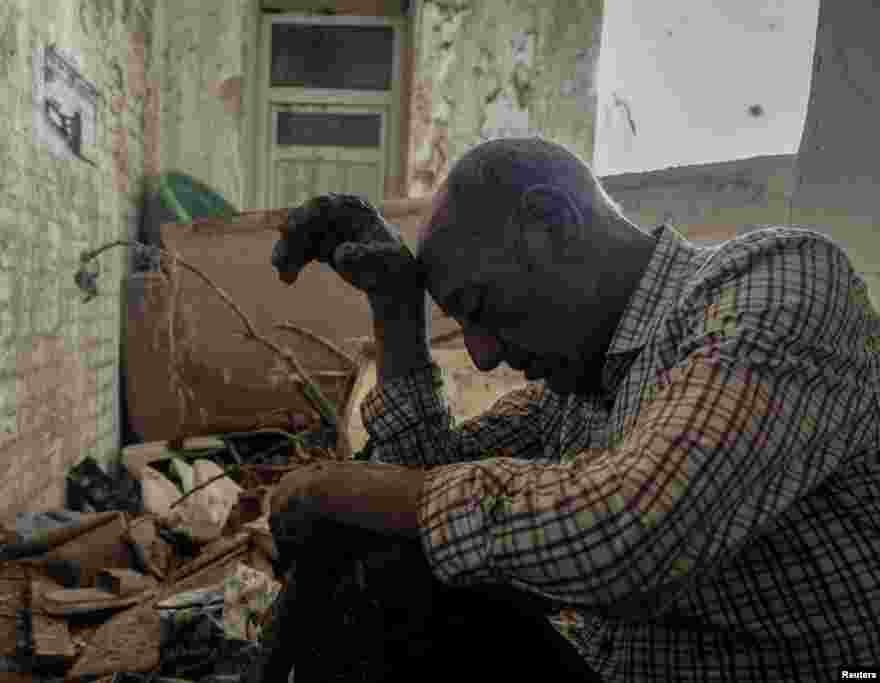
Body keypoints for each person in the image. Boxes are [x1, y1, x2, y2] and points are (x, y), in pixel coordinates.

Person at [266, 137, 880, 682]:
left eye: (479, 306)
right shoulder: (576, 389)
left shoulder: (774, 286)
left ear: (549, 222)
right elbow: (414, 487)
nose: (480, 357)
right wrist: (398, 312)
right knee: (377, 557)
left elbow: (634, 531)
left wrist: (332, 488)